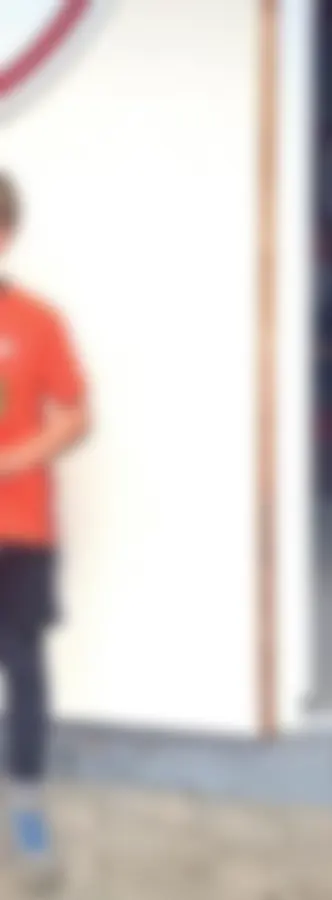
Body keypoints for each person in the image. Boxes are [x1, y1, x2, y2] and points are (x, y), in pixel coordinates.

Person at [0, 171, 89, 881]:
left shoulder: (35, 322)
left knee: (24, 671)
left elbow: (75, 413)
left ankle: (27, 817)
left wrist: (17, 458)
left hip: (18, 533)